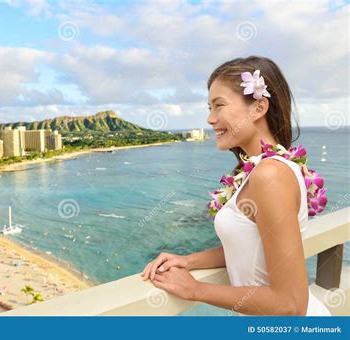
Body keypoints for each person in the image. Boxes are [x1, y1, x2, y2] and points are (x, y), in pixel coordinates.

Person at [141, 56, 331, 316]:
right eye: (209, 107)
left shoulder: (270, 175)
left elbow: (290, 304)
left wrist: (196, 290)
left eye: (218, 105)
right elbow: (250, 246)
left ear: (258, 108)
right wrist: (188, 260)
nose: (209, 118)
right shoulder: (261, 169)